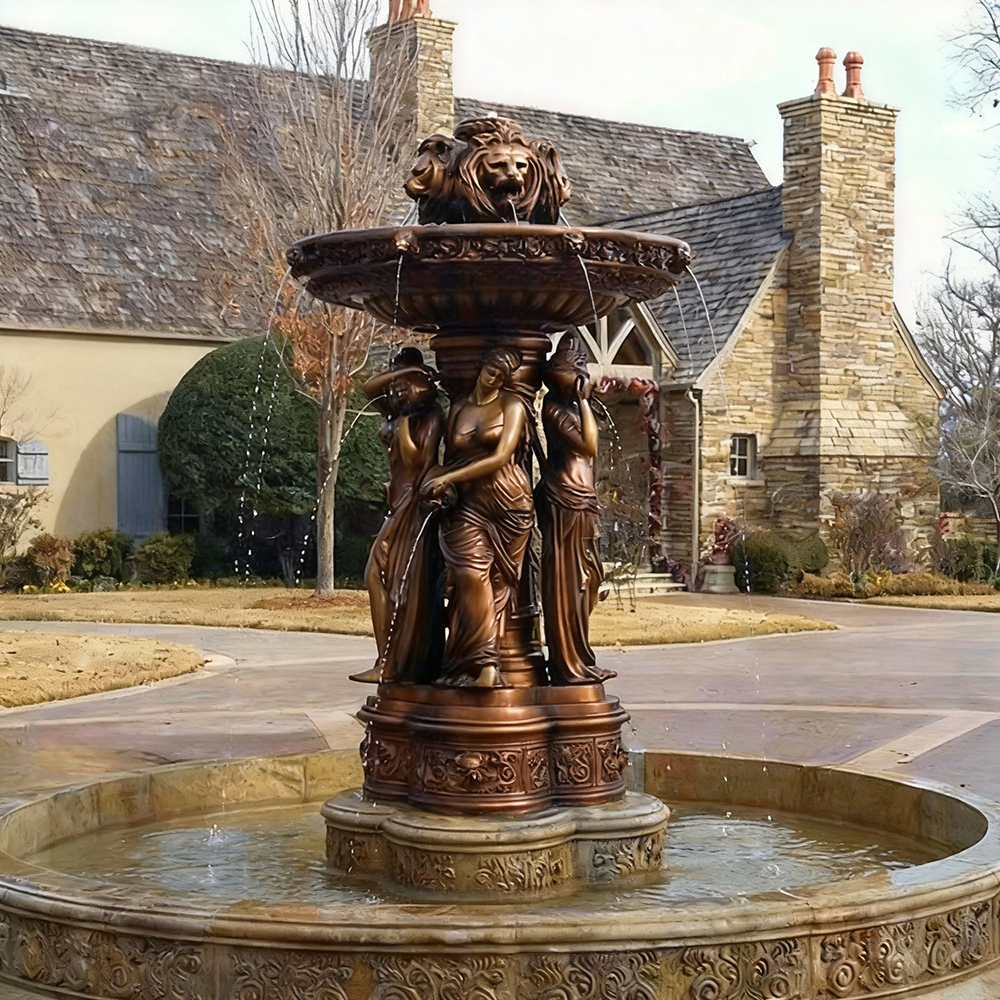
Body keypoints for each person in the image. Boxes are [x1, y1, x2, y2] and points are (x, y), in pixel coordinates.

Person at [421, 347, 534, 687]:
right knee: (470, 575)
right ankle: (479, 662)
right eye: (491, 371)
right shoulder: (458, 409)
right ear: (481, 367)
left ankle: (483, 665)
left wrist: (450, 479)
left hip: (508, 502)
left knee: (498, 585)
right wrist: (436, 483)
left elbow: (502, 456)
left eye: (502, 376)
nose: (494, 378)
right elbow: (450, 458)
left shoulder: (512, 405)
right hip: (468, 502)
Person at [352, 349, 445, 684]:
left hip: (414, 504)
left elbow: (415, 459)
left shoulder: (430, 415)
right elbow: (368, 388)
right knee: (376, 576)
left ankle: (395, 663)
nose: (396, 388)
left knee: (397, 585)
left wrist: (404, 420)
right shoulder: (393, 406)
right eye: (395, 380)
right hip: (397, 502)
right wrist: (402, 377)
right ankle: (385, 659)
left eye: (405, 381)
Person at [536, 332, 614, 683]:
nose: (581, 377)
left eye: (583, 369)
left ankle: (582, 656)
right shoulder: (554, 407)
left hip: (583, 501)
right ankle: (567, 663)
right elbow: (589, 445)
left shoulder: (568, 407)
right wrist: (584, 402)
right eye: (574, 370)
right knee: (569, 582)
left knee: (590, 578)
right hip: (563, 498)